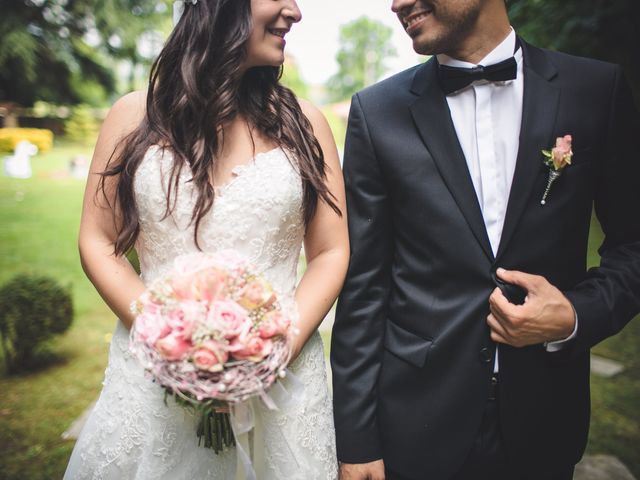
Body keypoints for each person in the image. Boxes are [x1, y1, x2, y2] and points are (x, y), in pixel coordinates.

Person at [331, 0, 640, 479]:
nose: (396, 4)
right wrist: (356, 441)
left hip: (544, 420)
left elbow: (632, 243)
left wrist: (577, 316)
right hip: (414, 425)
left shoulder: (595, 89)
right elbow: (364, 290)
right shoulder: (377, 112)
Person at [64, 0, 348, 478]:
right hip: (152, 381)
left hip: (283, 384)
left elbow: (330, 250)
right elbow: (98, 240)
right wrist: (170, 343)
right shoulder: (133, 114)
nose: (295, 11)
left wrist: (270, 352)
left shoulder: (307, 123)